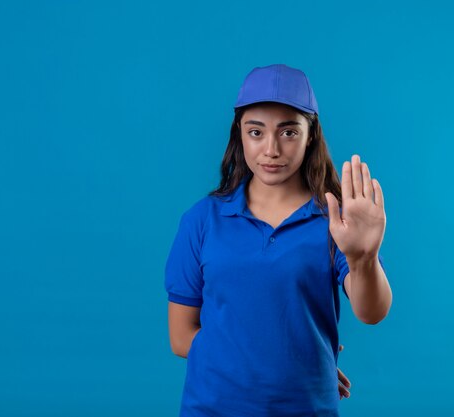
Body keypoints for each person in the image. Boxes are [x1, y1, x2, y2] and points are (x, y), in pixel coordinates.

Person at [165, 63, 392, 417]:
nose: (271, 149)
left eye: (288, 133)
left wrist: (364, 258)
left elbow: (372, 312)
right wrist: (281, 370)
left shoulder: (335, 219)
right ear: (239, 133)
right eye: (256, 132)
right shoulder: (202, 220)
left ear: (311, 135)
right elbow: (181, 338)